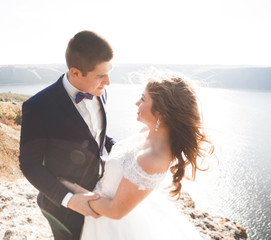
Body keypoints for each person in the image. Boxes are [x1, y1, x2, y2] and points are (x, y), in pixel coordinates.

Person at [61, 73, 214, 239]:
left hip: (114, 226)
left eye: (143, 99)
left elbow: (116, 210)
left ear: (161, 112)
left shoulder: (152, 158)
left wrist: (73, 189)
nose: (136, 103)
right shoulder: (148, 133)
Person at [19, 31, 115, 240]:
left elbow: (97, 135)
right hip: (63, 208)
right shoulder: (38, 107)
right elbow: (30, 165)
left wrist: (124, 151)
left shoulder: (101, 91)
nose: (107, 82)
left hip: (103, 193)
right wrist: (69, 200)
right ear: (75, 72)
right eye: (100, 76)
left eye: (109, 72)